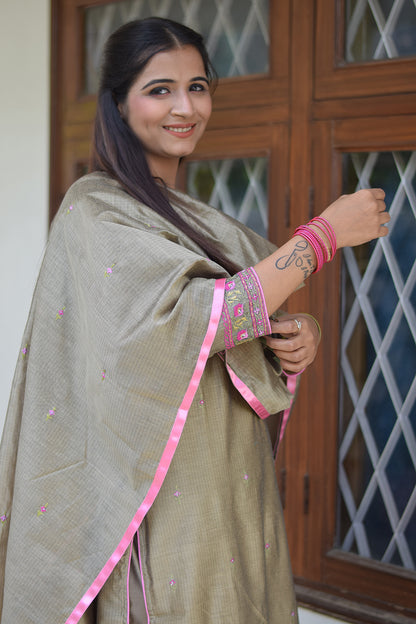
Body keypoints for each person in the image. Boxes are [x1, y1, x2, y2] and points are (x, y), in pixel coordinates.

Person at [0, 17, 389, 624]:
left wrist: (295, 337)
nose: (185, 107)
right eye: (160, 90)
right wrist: (321, 238)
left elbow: (241, 316)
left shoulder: (200, 221)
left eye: (198, 86)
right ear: (119, 104)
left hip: (228, 494)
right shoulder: (94, 212)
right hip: (152, 505)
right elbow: (188, 321)